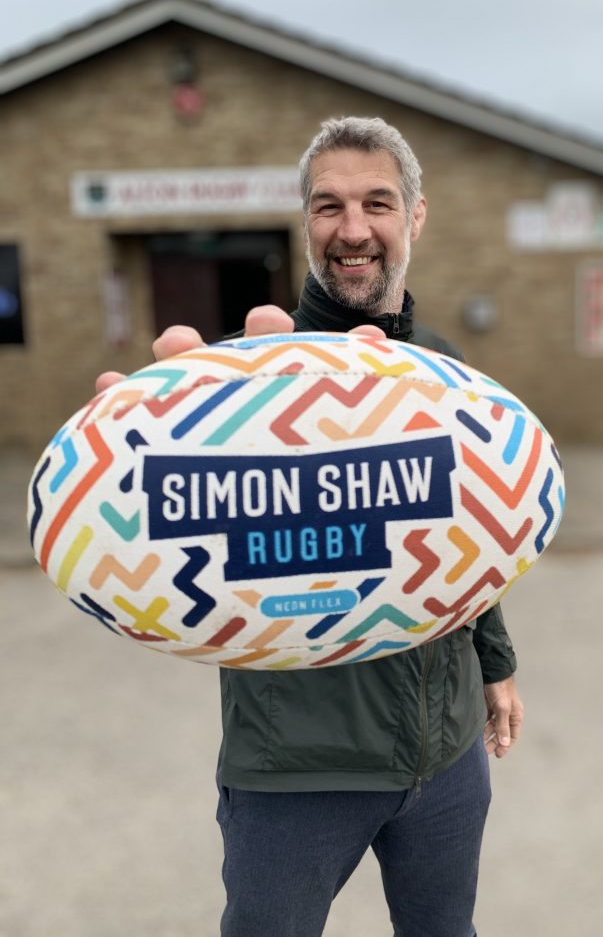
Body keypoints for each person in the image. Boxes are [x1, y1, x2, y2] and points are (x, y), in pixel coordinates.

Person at [98, 116, 523, 937]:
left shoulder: (446, 374)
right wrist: (129, 461)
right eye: (328, 206)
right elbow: (166, 531)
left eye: (377, 203)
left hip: (447, 755)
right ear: (305, 223)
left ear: (416, 217)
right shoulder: (241, 379)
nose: (353, 229)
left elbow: (472, 540)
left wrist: (495, 662)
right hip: (296, 767)